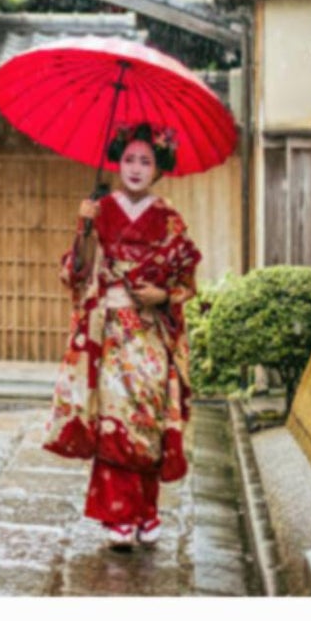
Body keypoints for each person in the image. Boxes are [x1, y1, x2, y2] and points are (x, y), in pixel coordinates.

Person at [43, 121, 201, 549]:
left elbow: (187, 281)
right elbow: (74, 273)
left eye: (145, 161)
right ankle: (118, 515)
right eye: (129, 159)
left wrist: (163, 294)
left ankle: (147, 510)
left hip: (149, 333)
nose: (135, 168)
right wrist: (85, 228)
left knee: (146, 420)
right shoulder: (99, 209)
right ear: (117, 161)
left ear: (158, 169)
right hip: (109, 333)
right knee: (113, 419)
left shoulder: (170, 219)